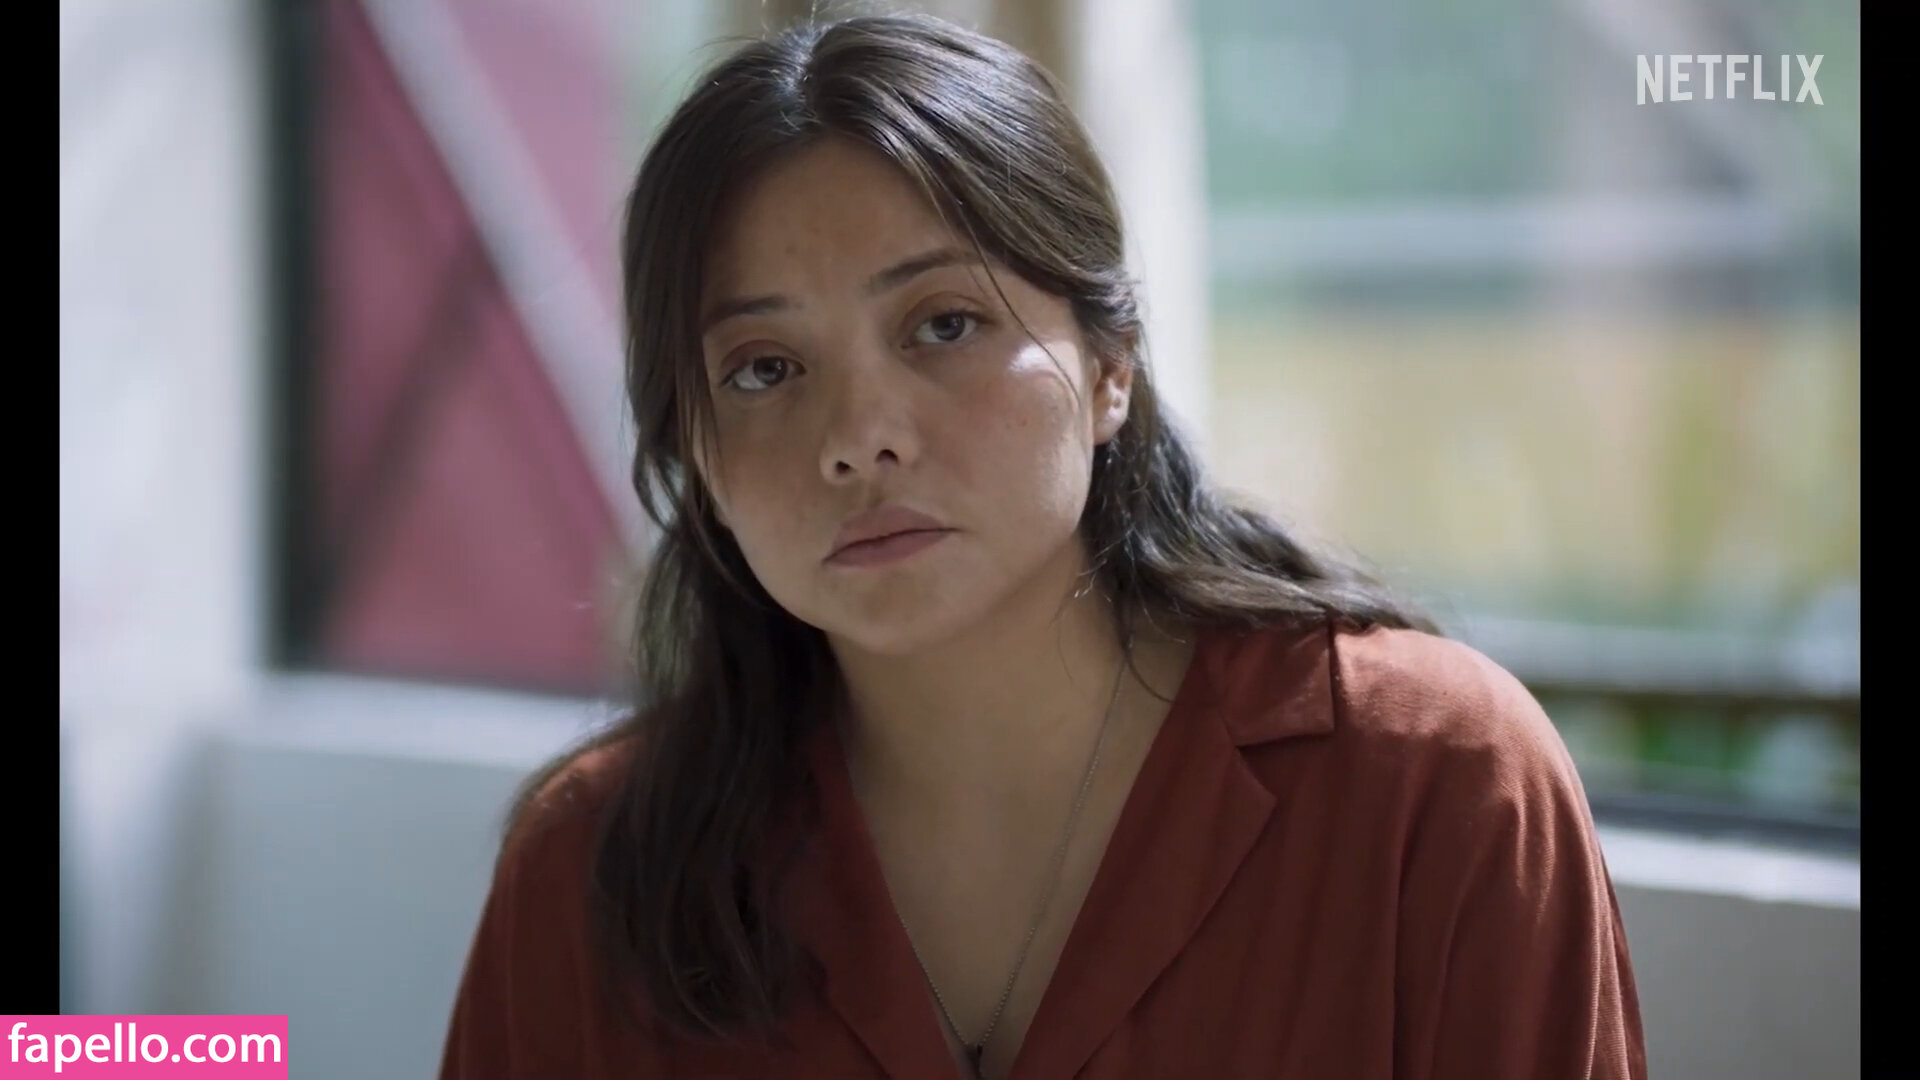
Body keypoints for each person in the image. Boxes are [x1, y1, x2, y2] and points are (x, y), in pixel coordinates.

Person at [436, 11, 1647, 1079]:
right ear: (694, 448)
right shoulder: (594, 873)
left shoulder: (1432, 783)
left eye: (944, 324)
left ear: (1110, 364)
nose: (857, 438)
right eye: (764, 369)